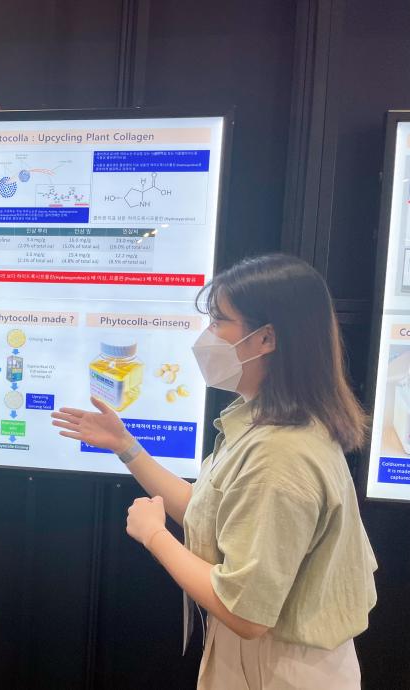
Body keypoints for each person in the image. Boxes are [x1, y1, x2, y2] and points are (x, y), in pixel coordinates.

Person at [52, 254, 377, 689]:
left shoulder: (279, 456)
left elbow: (246, 612)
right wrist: (126, 446)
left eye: (220, 321)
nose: (207, 335)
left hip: (278, 669)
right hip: (263, 659)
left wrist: (154, 535)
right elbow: (207, 510)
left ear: (266, 338)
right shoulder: (263, 420)